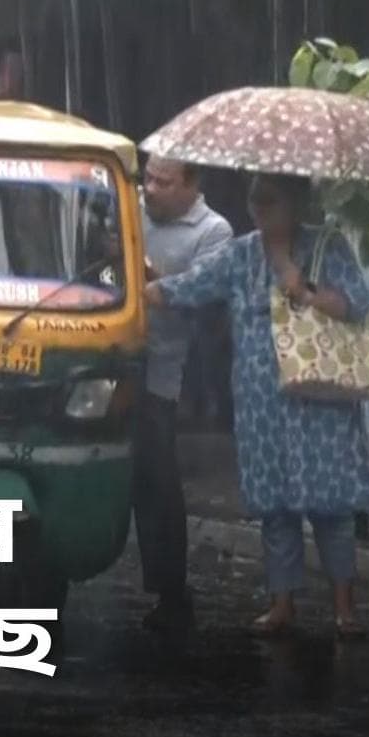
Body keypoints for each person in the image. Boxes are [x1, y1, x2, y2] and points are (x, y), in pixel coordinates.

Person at [144, 173, 369, 638]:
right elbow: (194, 284)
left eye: (269, 201)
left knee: (332, 508)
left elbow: (355, 304)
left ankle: (344, 607)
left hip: (319, 399)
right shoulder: (241, 254)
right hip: (261, 400)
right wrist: (148, 290)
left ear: (294, 204)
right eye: (255, 201)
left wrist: (304, 290)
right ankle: (282, 602)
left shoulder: (327, 247)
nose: (259, 210)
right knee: (274, 507)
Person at [134, 156, 233, 632]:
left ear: (192, 185)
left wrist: (155, 284)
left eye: (163, 182)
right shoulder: (127, 207)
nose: (150, 188)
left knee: (156, 480)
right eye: (148, 177)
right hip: (104, 355)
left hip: (161, 369)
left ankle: (171, 592)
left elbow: (205, 292)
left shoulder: (213, 232)